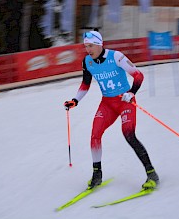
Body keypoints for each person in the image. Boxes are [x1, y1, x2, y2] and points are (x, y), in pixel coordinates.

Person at [64, 29, 159, 190]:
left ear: (100, 44)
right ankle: (97, 174)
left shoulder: (116, 57)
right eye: (86, 46)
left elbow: (138, 76)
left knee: (129, 135)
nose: (88, 50)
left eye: (91, 46)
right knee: (95, 135)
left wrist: (131, 92)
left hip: (125, 101)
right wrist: (75, 100)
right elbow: (85, 85)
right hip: (107, 103)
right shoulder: (87, 62)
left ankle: (151, 173)